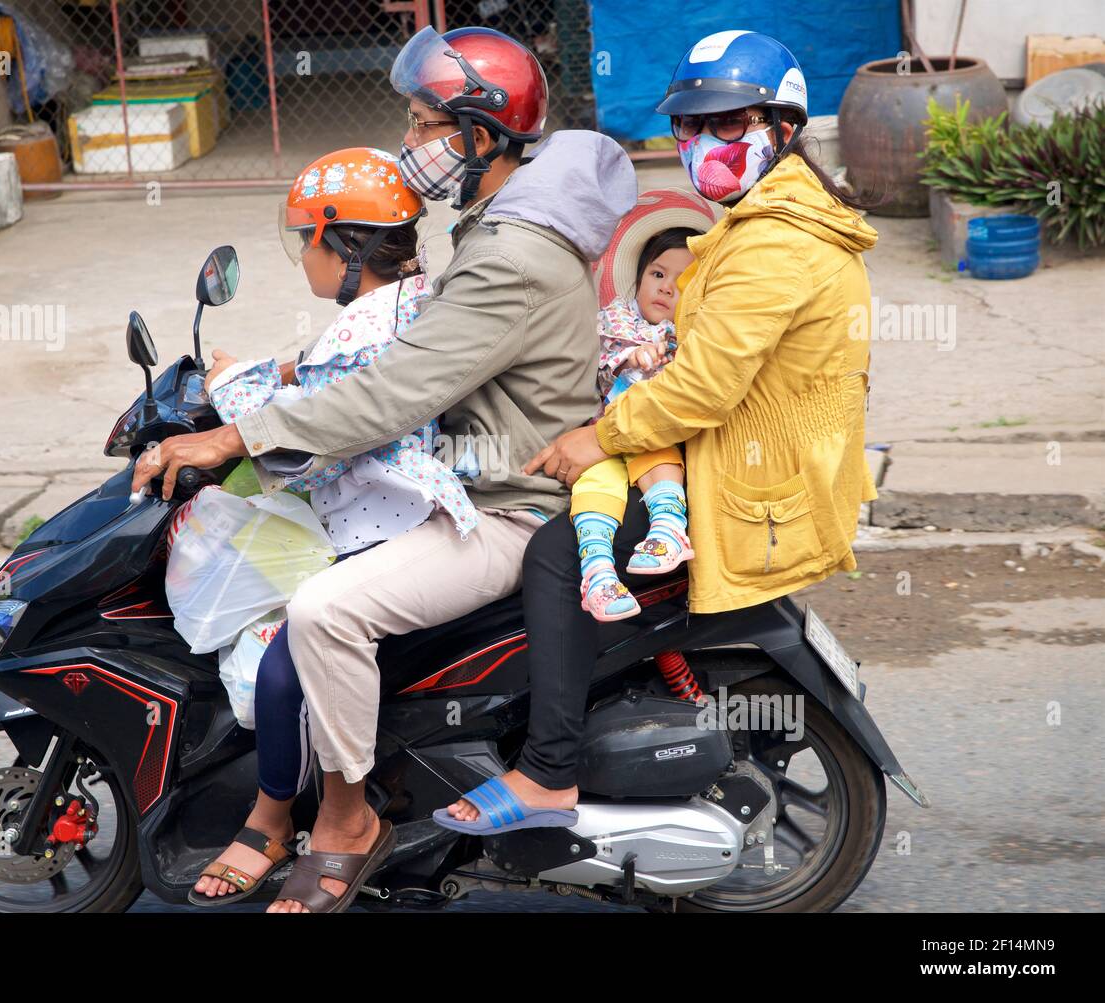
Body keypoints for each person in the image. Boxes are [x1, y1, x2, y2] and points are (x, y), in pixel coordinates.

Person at [131, 25, 636, 912]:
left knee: (323, 610)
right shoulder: (503, 226)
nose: (414, 144)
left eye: (424, 122)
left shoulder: (510, 253)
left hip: (506, 509)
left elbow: (396, 391)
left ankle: (347, 820)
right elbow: (409, 342)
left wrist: (234, 440)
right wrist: (281, 373)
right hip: (467, 480)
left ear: (479, 134)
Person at [439, 29, 880, 832]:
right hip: (748, 459)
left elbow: (705, 385)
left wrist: (599, 436)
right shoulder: (762, 219)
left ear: (783, 128)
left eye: (729, 124)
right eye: (689, 126)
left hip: (747, 483)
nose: (703, 143)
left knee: (557, 550)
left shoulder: (776, 240)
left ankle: (546, 771)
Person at [186, 148, 478, 905]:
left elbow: (300, 432)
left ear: (342, 244)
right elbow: (313, 374)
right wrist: (268, 370)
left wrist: (226, 395)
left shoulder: (362, 329)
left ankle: (273, 818)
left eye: (306, 242)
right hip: (406, 509)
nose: (303, 259)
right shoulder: (406, 300)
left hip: (384, 527)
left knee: (284, 670)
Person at [569, 189, 719, 623]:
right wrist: (629, 358)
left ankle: (668, 527)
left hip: (651, 433)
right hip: (604, 432)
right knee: (594, 486)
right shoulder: (616, 320)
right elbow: (600, 363)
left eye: (681, 281)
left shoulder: (696, 333)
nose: (666, 288)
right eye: (657, 274)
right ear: (638, 277)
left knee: (654, 448)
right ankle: (597, 570)